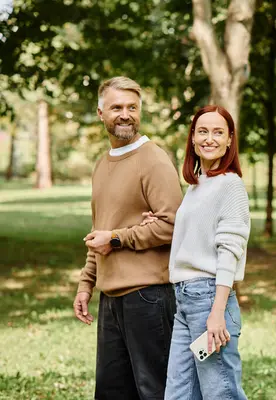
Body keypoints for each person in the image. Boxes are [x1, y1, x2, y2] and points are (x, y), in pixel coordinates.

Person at [72, 76, 183, 400]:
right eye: (117, 107)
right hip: (111, 299)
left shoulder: (154, 160)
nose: (125, 114)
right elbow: (100, 231)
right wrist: (86, 284)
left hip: (148, 297)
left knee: (155, 391)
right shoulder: (102, 164)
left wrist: (119, 238)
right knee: (111, 392)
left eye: (132, 108)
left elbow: (174, 224)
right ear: (100, 112)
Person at [143, 105, 250, 400]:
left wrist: (217, 314)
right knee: (178, 394)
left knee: (221, 393)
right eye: (202, 131)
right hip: (185, 302)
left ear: (230, 139)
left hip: (209, 301)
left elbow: (229, 250)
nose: (209, 138)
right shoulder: (198, 184)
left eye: (218, 132)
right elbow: (201, 230)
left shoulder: (230, 185)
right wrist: (171, 223)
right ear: (192, 138)